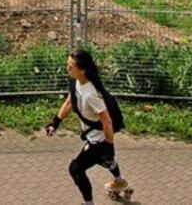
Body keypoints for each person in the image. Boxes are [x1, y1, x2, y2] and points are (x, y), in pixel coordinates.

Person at [45, 50, 130, 204]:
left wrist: (109, 146)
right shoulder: (76, 81)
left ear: (82, 70)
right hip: (94, 137)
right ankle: (119, 181)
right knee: (103, 161)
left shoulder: (91, 94)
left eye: (71, 67)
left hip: (99, 140)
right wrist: (55, 122)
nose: (67, 69)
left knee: (76, 169)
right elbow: (71, 101)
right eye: (67, 65)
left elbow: (107, 122)